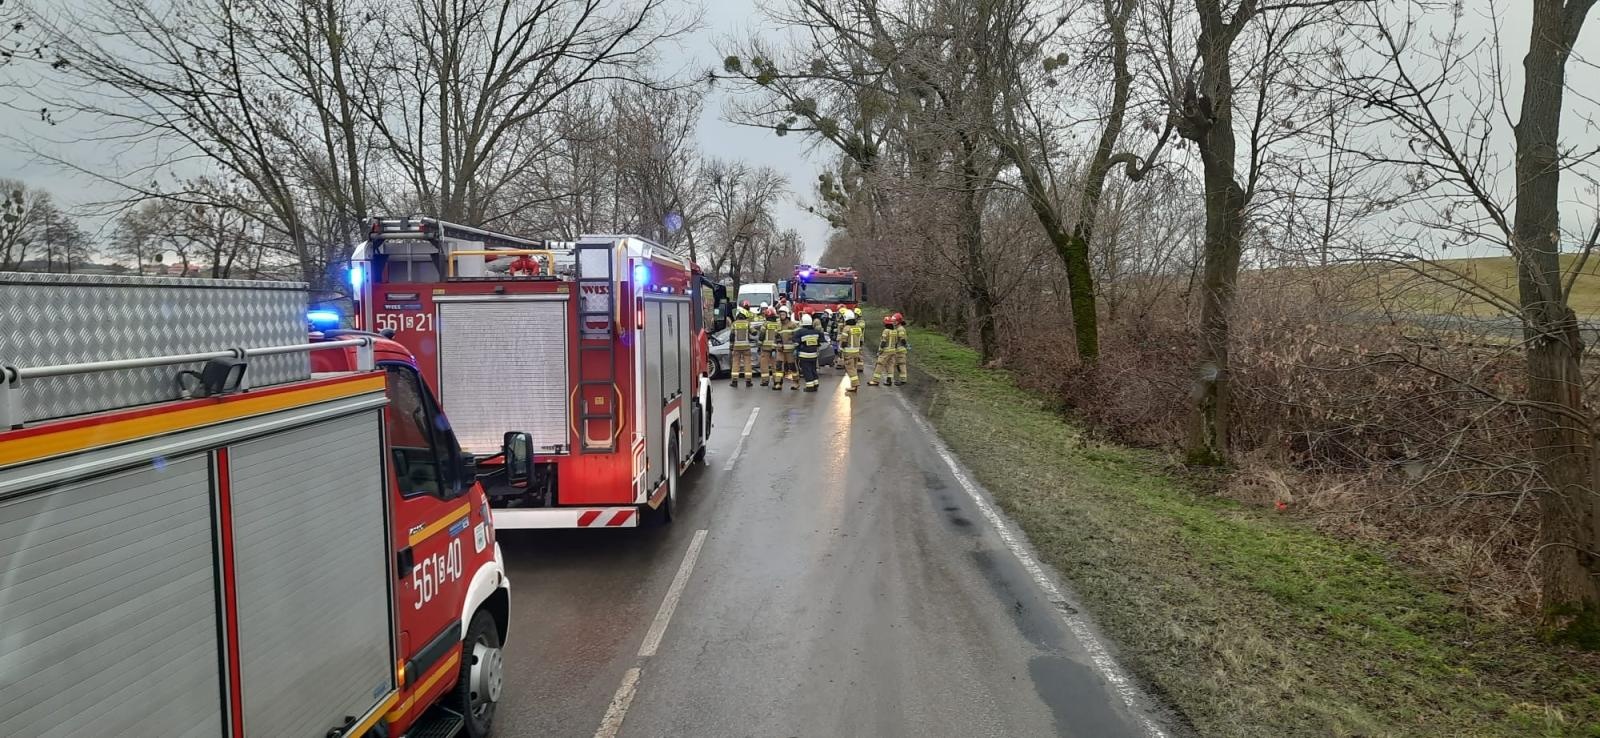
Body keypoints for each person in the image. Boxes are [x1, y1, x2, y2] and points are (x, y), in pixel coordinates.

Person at [794, 313, 823, 392]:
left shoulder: (800, 332)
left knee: (807, 371)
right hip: (814, 355)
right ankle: (815, 384)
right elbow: (820, 342)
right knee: (813, 369)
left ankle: (810, 386)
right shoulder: (816, 332)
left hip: (804, 355)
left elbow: (796, 343)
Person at [838, 309, 864, 392]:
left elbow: (844, 341)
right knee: (854, 368)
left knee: (850, 369)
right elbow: (861, 340)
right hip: (856, 352)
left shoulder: (846, 328)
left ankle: (855, 385)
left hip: (848, 352)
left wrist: (841, 349)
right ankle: (854, 384)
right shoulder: (858, 328)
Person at [869, 314, 897, 387]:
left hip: (886, 351)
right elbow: (896, 342)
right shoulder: (895, 331)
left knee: (879, 364)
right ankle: (889, 380)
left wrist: (880, 350)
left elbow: (883, 342)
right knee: (890, 365)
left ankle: (875, 380)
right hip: (893, 350)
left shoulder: (886, 331)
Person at [775, 306, 798, 391]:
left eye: (783, 314)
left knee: (792, 367)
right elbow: (776, 335)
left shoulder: (792, 325)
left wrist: (795, 346)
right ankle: (778, 383)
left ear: (787, 315)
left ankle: (796, 382)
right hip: (780, 350)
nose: (781, 316)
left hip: (790, 350)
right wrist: (778, 343)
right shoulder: (778, 325)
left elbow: (797, 336)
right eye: (780, 314)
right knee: (778, 366)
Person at [729, 303, 753, 388]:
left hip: (736, 347)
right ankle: (748, 382)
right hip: (746, 347)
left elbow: (731, 336)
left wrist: (731, 346)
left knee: (735, 363)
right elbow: (753, 332)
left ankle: (734, 381)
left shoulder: (734, 324)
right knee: (747, 363)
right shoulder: (747, 323)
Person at [758, 306, 778, 386]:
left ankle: (765, 381)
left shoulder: (765, 324)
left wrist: (759, 344)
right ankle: (776, 380)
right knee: (775, 364)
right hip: (775, 347)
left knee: (764, 364)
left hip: (765, 347)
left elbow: (762, 334)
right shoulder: (777, 324)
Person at [891, 312, 910, 385]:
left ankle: (903, 380)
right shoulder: (898, 328)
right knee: (898, 365)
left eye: (894, 321)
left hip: (900, 350)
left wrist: (905, 345)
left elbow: (902, 339)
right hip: (898, 350)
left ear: (898, 321)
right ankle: (901, 378)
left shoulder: (900, 329)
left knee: (901, 364)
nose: (893, 322)